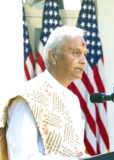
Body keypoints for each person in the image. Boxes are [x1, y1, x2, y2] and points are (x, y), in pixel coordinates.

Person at [0, 26, 89, 160]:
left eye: (84, 54)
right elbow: (22, 157)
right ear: (53, 56)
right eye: (76, 53)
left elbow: (76, 153)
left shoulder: (72, 100)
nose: (83, 61)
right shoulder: (28, 96)